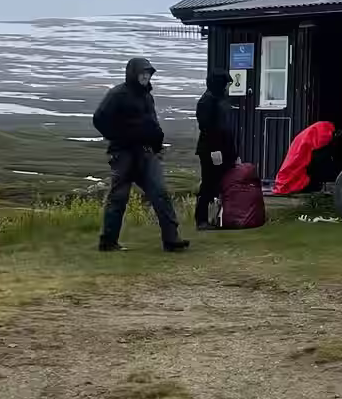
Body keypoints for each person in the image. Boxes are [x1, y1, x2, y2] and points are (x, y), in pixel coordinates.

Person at [91, 56, 188, 252]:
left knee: (160, 193)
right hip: (124, 154)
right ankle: (108, 241)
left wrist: (157, 144)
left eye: (148, 73)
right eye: (142, 73)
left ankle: (171, 239)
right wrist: (118, 138)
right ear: (133, 73)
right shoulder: (117, 94)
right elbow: (99, 119)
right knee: (118, 198)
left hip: (146, 153)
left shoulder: (147, 96)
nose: (145, 76)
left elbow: (151, 123)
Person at [193, 70, 239, 228]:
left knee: (221, 184)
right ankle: (202, 219)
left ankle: (220, 217)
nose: (227, 87)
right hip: (211, 150)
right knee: (208, 184)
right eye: (226, 84)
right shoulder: (207, 102)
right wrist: (215, 151)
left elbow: (225, 128)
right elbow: (207, 128)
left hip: (223, 149)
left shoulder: (220, 99)